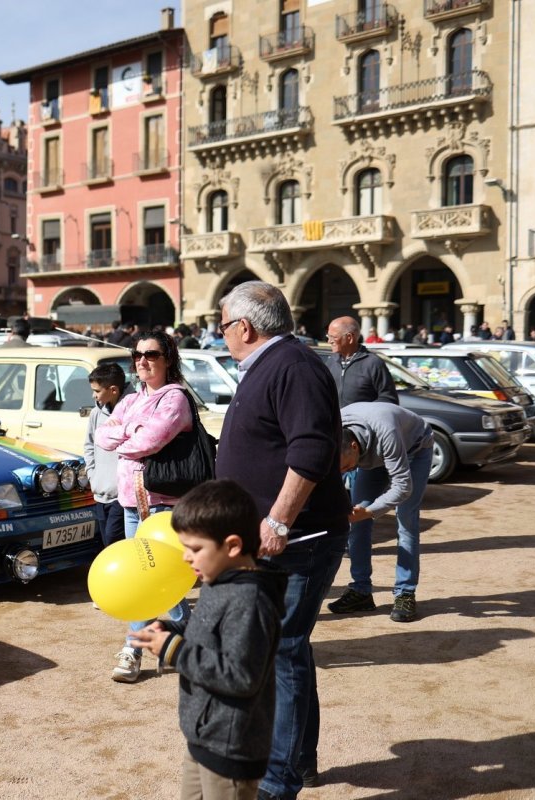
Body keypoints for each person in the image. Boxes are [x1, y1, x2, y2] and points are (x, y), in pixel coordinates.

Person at [213, 281, 349, 799]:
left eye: (223, 326)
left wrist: (278, 521)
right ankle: (299, 763)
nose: (221, 335)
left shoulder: (291, 365)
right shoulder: (275, 364)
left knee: (280, 653)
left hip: (299, 540)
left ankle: (280, 782)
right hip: (282, 539)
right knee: (287, 651)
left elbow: (313, 450)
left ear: (244, 326)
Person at [129, 480, 287, 800]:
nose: (186, 558)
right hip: (203, 736)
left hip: (230, 747)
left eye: (195, 548)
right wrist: (173, 632)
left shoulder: (248, 599)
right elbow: (210, 639)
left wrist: (174, 650)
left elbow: (241, 675)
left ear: (232, 546)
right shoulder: (218, 578)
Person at [95, 328, 195, 683]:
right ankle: (186, 639)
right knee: (148, 579)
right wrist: (131, 432)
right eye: (137, 355)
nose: (143, 361)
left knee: (156, 578)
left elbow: (149, 441)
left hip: (164, 503)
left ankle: (133, 649)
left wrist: (128, 433)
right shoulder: (131, 399)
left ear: (168, 359)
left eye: (151, 355)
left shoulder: (175, 398)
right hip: (131, 503)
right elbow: (102, 436)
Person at [328, 402, 434, 624]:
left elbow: (403, 486)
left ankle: (405, 593)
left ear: (354, 447)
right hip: (373, 456)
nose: (345, 473)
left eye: (346, 467)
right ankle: (361, 591)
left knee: (406, 521)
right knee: (356, 522)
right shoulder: (331, 431)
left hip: (414, 448)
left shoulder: (386, 431)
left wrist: (370, 510)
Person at [84, 362, 133, 549]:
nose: (93, 395)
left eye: (97, 391)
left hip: (122, 496)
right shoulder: (97, 412)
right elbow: (89, 446)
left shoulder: (134, 409)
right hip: (100, 493)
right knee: (106, 543)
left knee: (115, 543)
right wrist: (92, 476)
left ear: (113, 390)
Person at [324, 316, 398, 407]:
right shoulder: (331, 362)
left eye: (333, 337)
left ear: (349, 337)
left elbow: (389, 399)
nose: (329, 341)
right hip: (336, 421)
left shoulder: (373, 363)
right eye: (328, 336)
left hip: (361, 420)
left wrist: (362, 413)